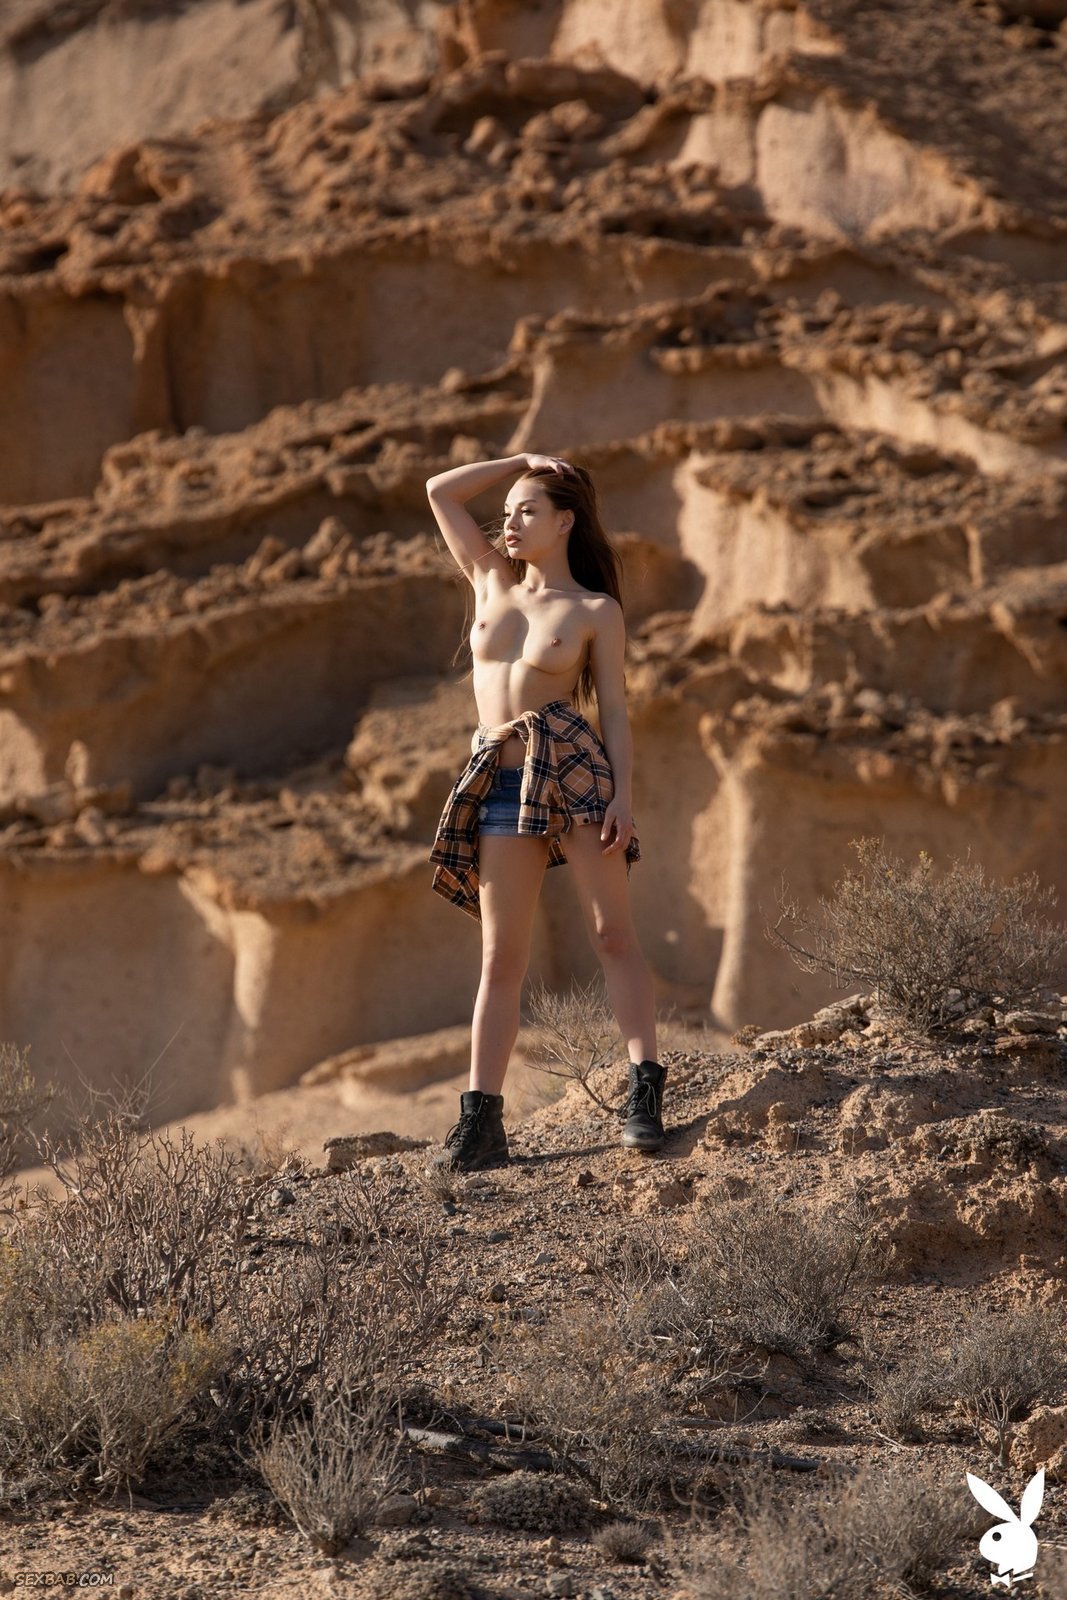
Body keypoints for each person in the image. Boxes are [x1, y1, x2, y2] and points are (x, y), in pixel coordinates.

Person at [424, 449, 666, 1173]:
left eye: (527, 511)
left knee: (612, 934)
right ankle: (481, 1122)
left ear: (564, 522)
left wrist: (623, 795)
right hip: (498, 783)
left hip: (574, 775)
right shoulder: (488, 582)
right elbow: (440, 491)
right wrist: (518, 463)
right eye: (506, 514)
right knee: (501, 957)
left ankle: (644, 1091)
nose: (509, 524)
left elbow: (614, 710)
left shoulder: (594, 610)